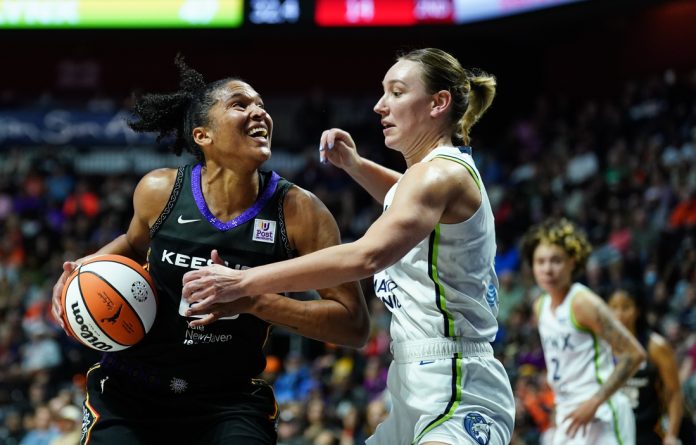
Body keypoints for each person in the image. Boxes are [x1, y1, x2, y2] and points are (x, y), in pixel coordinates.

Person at [182, 48, 515, 445]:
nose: (379, 106)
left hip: (456, 385)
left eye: (396, 92)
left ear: (438, 103)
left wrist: (243, 282)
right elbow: (403, 196)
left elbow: (366, 255)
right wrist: (356, 165)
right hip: (417, 383)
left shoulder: (436, 175)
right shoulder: (431, 176)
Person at [50, 56, 369, 445]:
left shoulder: (301, 212)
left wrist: (252, 301)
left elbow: (353, 325)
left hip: (227, 399)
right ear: (203, 135)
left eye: (261, 105)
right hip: (131, 390)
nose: (260, 113)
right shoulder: (159, 191)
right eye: (240, 104)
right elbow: (133, 244)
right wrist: (79, 273)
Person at [520, 218, 647, 445]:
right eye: (540, 261)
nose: (548, 269)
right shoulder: (540, 306)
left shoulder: (582, 302)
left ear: (573, 261)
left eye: (556, 260)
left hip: (602, 411)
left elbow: (634, 353)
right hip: (568, 412)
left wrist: (595, 401)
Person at [609, 285, 694, 445]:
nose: (619, 314)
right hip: (612, 432)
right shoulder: (602, 346)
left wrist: (671, 435)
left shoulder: (656, 346)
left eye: (626, 307)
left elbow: (674, 393)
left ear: (638, 310)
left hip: (648, 432)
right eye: (613, 307)